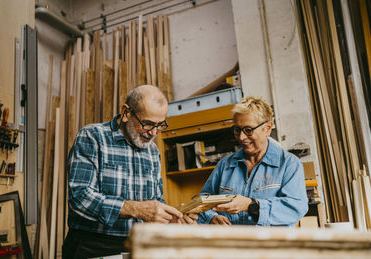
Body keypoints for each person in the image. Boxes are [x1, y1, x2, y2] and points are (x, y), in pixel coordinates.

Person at [62, 85, 197, 259]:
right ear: (126, 113)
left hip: (138, 244)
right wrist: (135, 209)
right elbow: (80, 197)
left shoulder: (152, 152)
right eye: (147, 124)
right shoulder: (93, 137)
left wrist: (171, 218)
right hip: (92, 245)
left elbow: (156, 201)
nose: (153, 133)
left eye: (159, 125)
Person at [197, 96, 308, 226]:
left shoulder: (289, 164)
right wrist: (211, 217)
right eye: (237, 130)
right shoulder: (225, 165)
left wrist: (251, 205)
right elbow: (202, 200)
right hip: (232, 243)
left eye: (248, 130)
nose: (242, 137)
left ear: (267, 128)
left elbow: (296, 208)